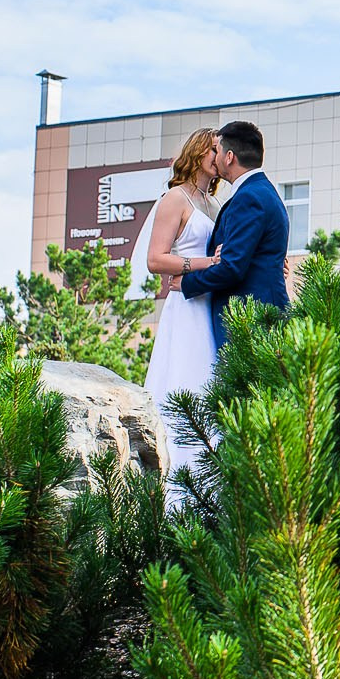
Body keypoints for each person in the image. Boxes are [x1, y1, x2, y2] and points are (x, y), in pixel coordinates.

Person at [139, 127, 221, 504]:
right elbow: (156, 259)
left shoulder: (216, 204)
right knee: (184, 379)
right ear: (199, 151)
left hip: (209, 303)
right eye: (215, 149)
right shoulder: (176, 198)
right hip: (184, 305)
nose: (220, 156)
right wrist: (205, 263)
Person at [184, 118, 288, 350]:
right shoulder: (263, 191)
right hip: (261, 315)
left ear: (229, 157)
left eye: (217, 150)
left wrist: (186, 283)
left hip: (252, 322)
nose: (215, 157)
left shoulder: (249, 198)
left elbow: (232, 268)